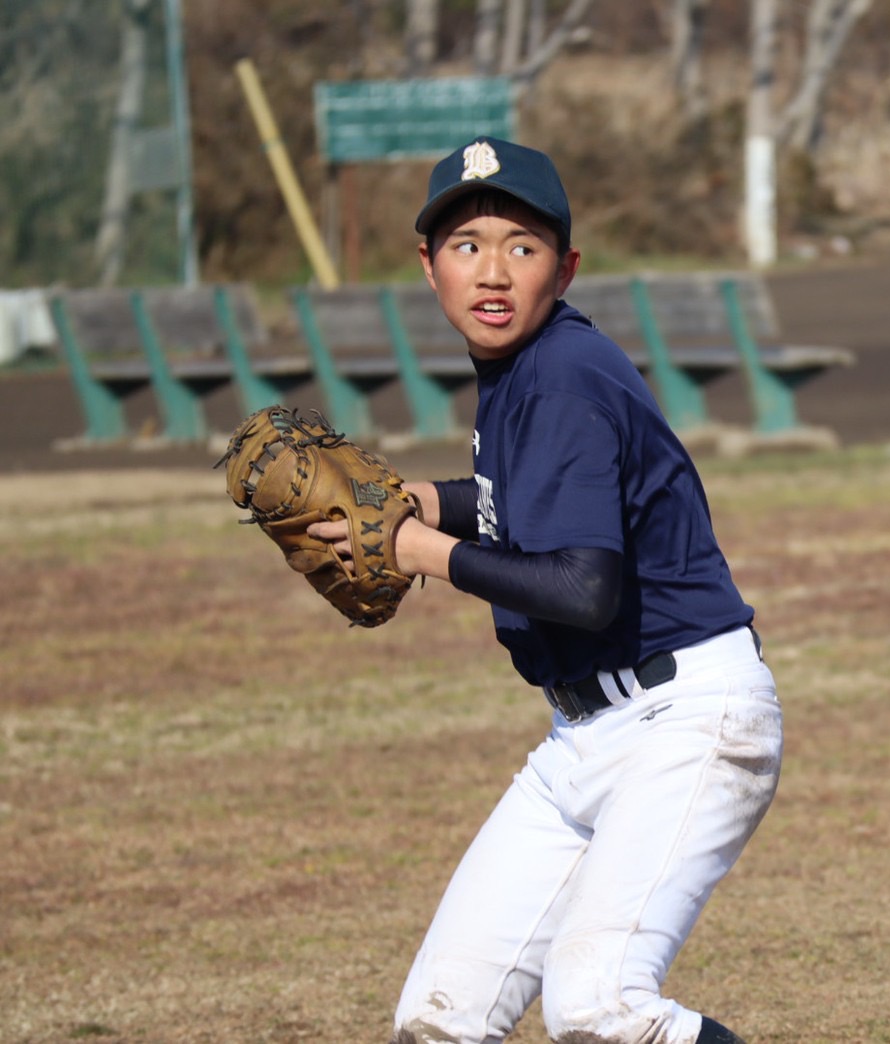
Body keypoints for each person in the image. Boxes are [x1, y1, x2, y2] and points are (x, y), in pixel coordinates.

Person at [310, 137, 780, 1044]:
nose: (492, 271)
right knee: (439, 1024)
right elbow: (530, 503)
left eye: (522, 247)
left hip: (685, 723)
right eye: (466, 244)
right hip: (584, 740)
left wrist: (418, 549)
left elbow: (583, 587)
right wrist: (429, 503)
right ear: (428, 265)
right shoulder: (525, 366)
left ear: (564, 270)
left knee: (600, 1008)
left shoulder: (561, 374)